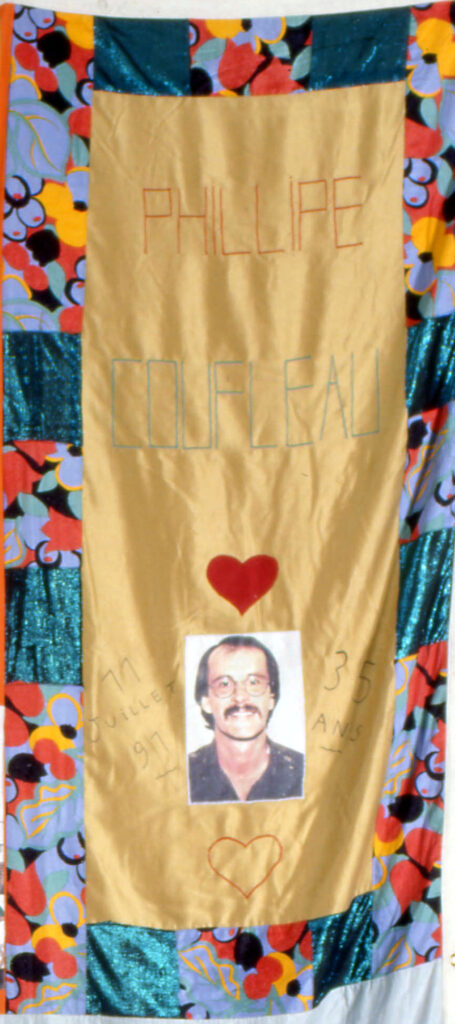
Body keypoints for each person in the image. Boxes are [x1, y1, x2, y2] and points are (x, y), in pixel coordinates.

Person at [188, 635, 304, 803]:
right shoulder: (184, 775)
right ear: (206, 701)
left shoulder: (303, 772)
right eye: (224, 684)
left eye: (254, 682)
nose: (240, 697)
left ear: (271, 697)